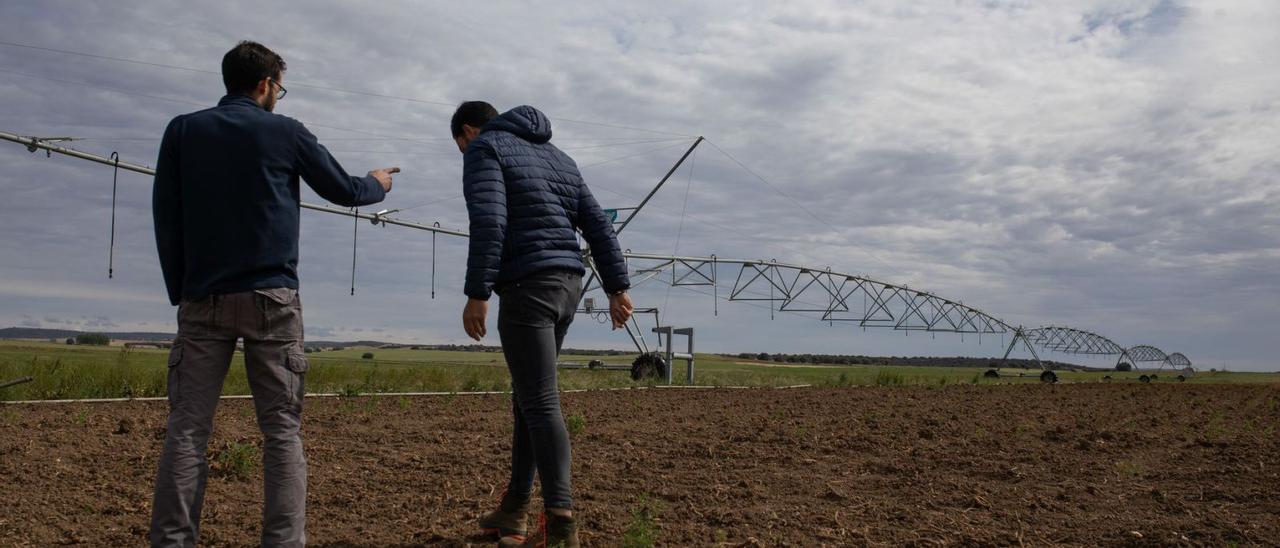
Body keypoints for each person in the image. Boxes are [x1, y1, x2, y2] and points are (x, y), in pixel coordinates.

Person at [149, 41, 399, 547]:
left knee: (188, 430)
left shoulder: (182, 130)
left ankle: (172, 541)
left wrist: (182, 289)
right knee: (281, 432)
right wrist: (377, 184)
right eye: (279, 88)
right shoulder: (286, 132)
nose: (278, 97)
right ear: (265, 85)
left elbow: (165, 215)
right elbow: (345, 190)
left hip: (202, 298)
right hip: (272, 300)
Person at [453, 101, 633, 547]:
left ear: (469, 131)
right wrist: (617, 287)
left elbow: (489, 220)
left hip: (527, 286)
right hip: (568, 284)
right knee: (528, 399)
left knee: (540, 402)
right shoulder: (559, 158)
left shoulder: (485, 149)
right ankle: (514, 509)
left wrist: (477, 292)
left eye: (459, 146)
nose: (462, 154)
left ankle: (561, 525)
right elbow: (597, 224)